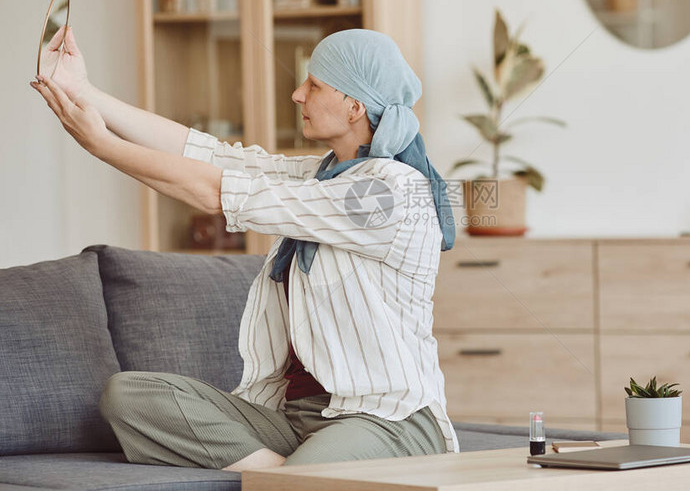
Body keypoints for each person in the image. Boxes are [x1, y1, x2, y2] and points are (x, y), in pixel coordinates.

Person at [29, 25, 459, 471]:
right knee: (130, 396)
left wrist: (103, 145)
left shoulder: (387, 192)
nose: (296, 93)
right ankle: (273, 473)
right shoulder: (320, 176)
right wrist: (80, 89)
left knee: (305, 480)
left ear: (354, 106)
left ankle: (284, 478)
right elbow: (209, 156)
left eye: (313, 84)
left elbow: (214, 192)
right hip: (297, 418)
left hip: (387, 419)